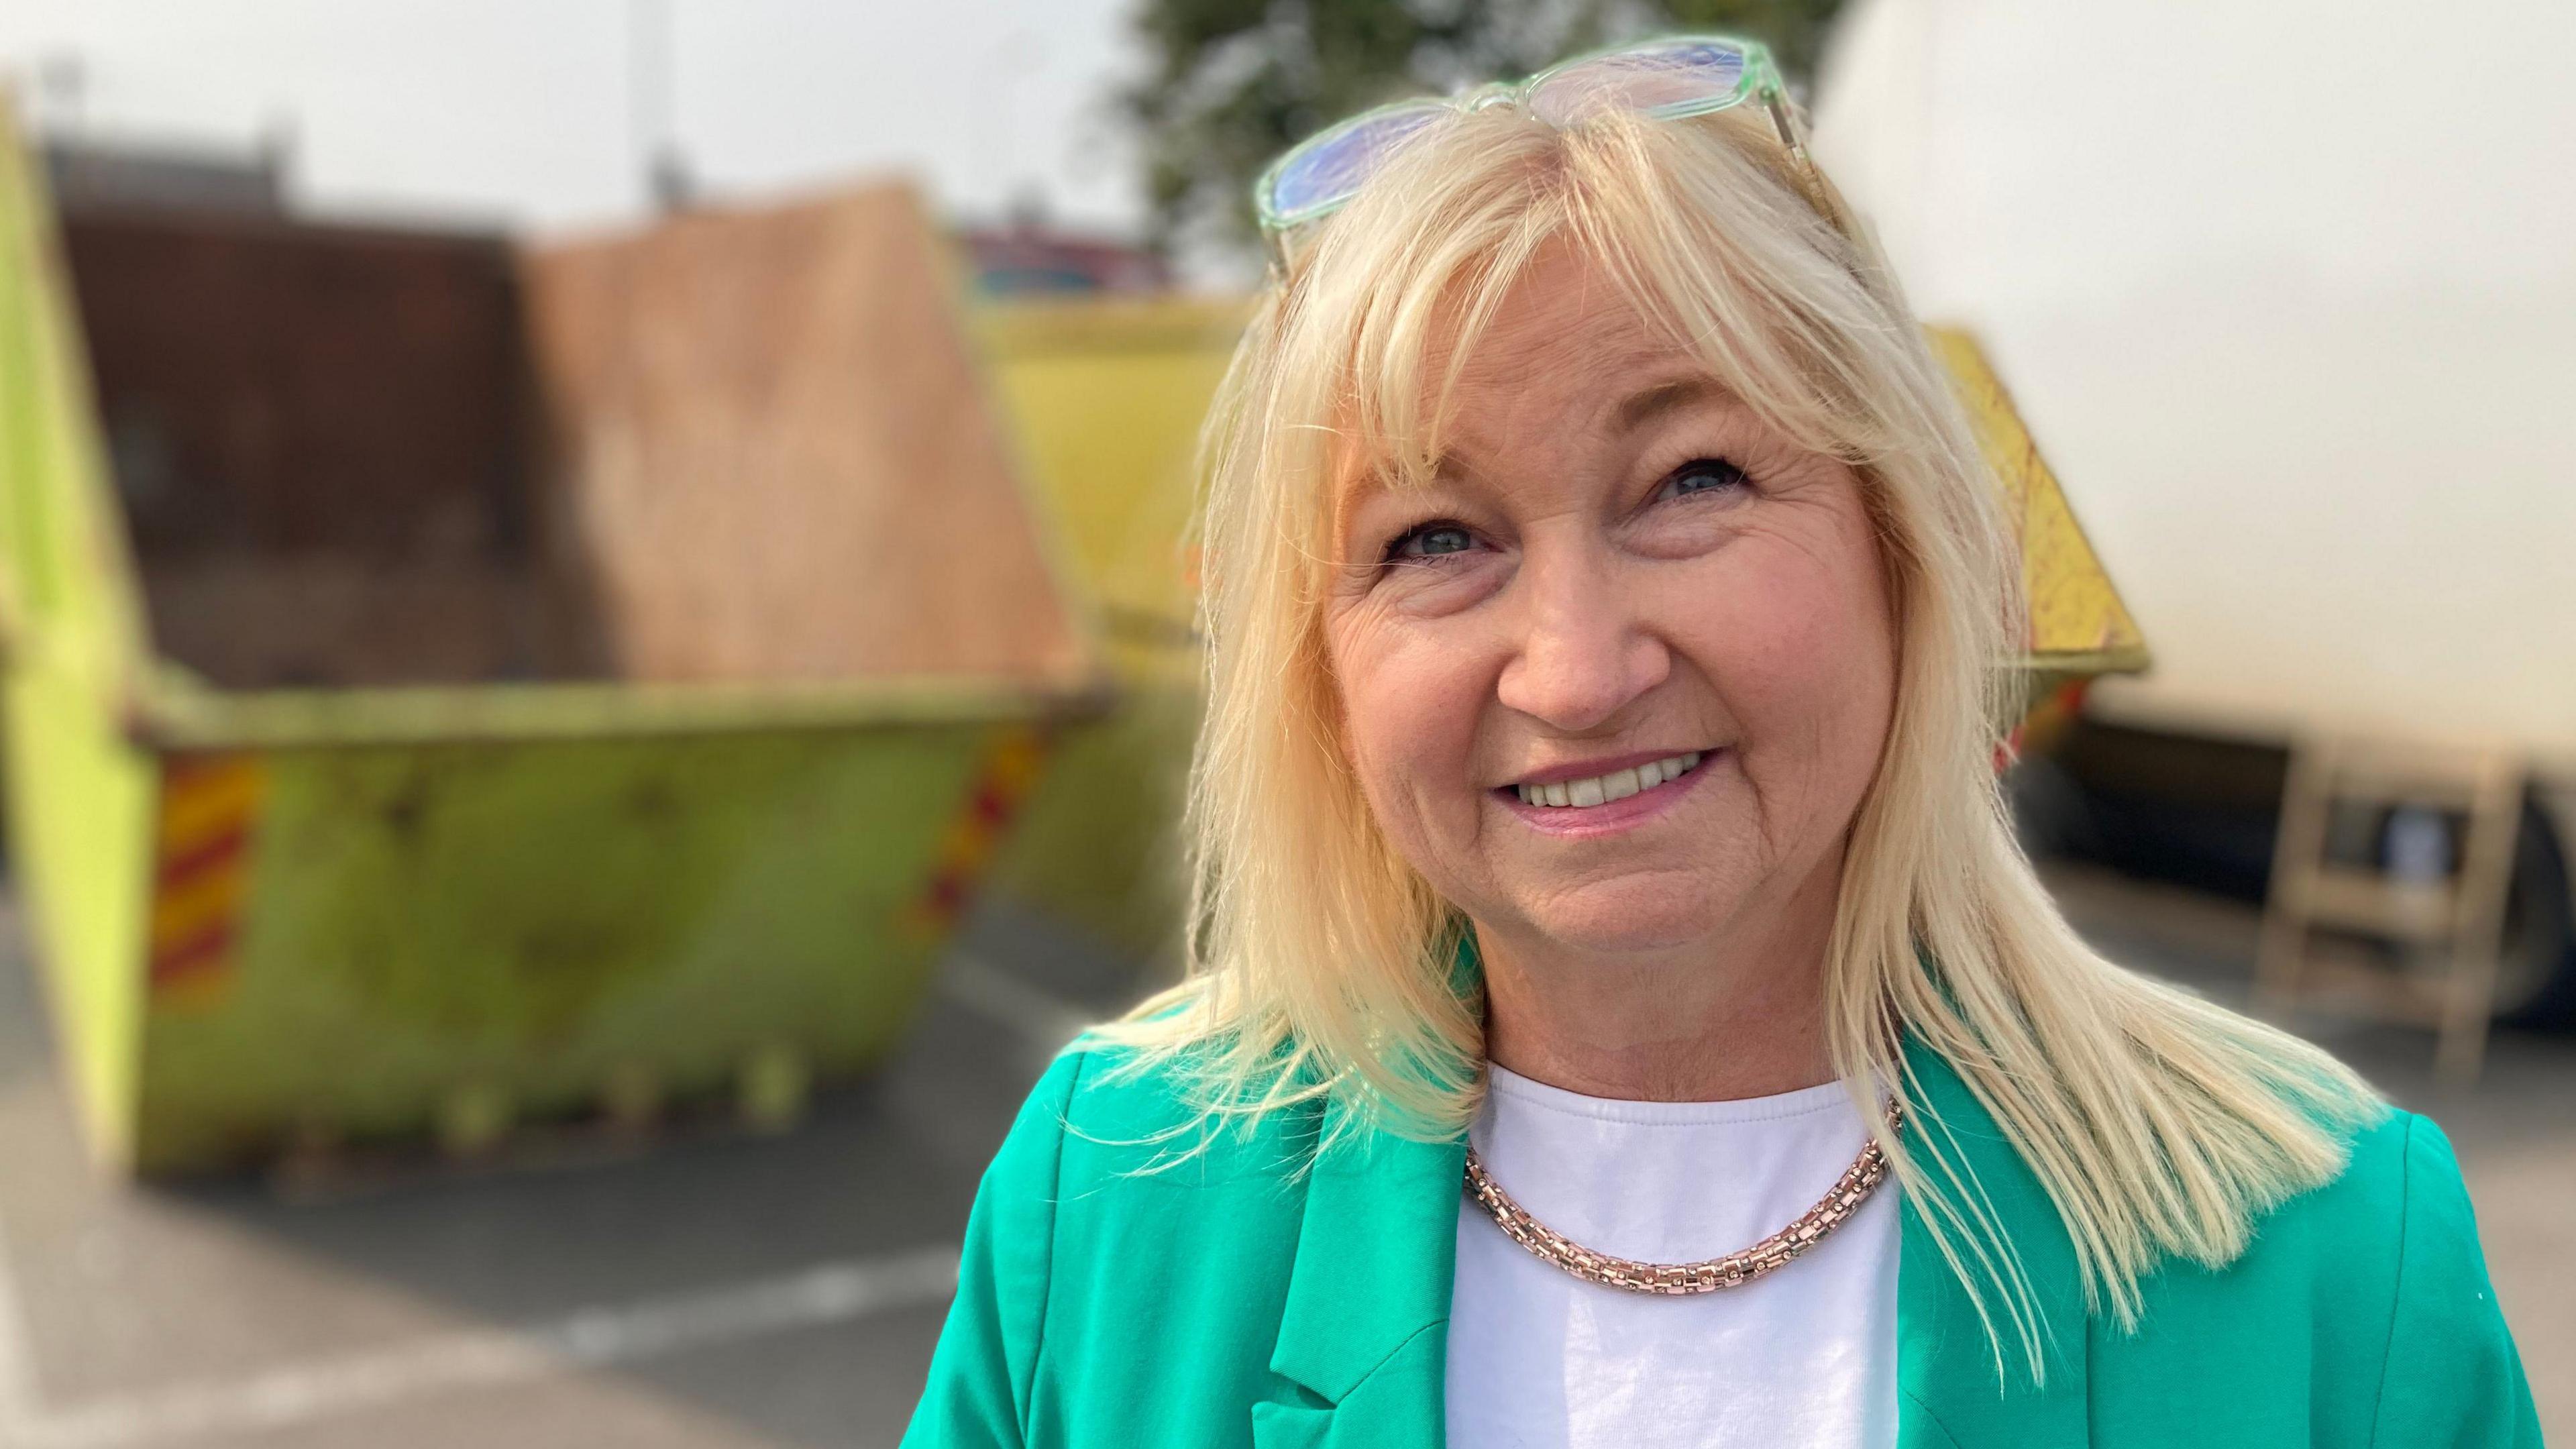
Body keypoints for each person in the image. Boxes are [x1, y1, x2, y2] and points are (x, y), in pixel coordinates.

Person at [902, 34, 2540, 1449]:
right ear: (1316, 673)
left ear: (1906, 552)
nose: (1578, 669)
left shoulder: (2321, 1247)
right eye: (1431, 539)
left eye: (1694, 482)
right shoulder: (1112, 1200)